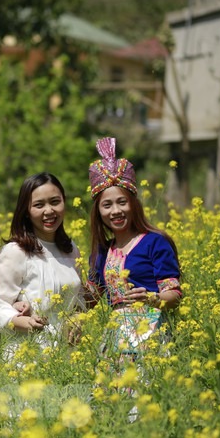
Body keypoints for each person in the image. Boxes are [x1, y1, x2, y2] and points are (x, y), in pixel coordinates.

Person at [85, 137, 182, 361]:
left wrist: (152, 298)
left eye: (122, 202)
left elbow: (175, 294)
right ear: (98, 211)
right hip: (115, 338)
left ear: (134, 204)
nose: (115, 211)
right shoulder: (101, 252)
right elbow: (89, 300)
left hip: (152, 334)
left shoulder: (155, 242)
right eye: (107, 205)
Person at [0, 173, 85, 352]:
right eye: (39, 205)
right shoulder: (16, 251)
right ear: (26, 212)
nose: (49, 211)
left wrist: (78, 318)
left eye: (55, 202)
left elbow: (79, 298)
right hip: (29, 351)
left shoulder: (70, 249)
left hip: (68, 353)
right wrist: (23, 321)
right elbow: (0, 305)